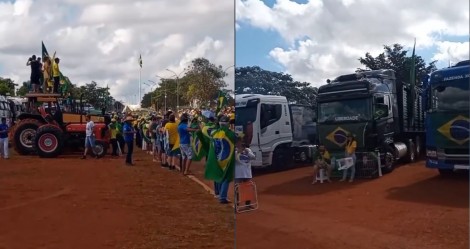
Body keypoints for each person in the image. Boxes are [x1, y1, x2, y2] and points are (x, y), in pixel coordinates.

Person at [235, 133, 255, 208]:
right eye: (239, 142)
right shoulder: (235, 152)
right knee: (237, 190)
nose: (241, 144)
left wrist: (248, 152)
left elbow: (253, 158)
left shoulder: (248, 150)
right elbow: (235, 160)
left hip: (247, 174)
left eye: (242, 143)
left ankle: (248, 204)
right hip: (238, 174)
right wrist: (239, 152)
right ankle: (237, 205)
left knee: (248, 189)